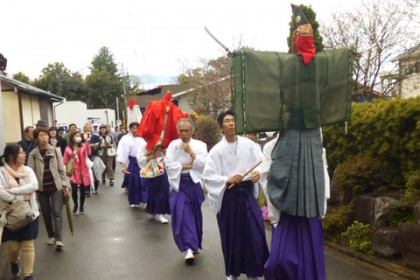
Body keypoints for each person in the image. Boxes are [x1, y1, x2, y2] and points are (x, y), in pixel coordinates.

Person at [202, 110, 269, 280]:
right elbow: (208, 177)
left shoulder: (249, 145)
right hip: (229, 197)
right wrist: (226, 179)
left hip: (247, 194)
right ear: (221, 128)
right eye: (227, 121)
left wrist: (258, 173)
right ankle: (233, 272)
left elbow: (261, 162)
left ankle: (254, 272)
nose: (231, 123)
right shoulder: (216, 151)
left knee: (254, 233)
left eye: (233, 120)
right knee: (232, 235)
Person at [165, 118, 208, 263]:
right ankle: (188, 248)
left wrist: (191, 152)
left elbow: (204, 165)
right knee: (182, 215)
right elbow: (169, 165)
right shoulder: (173, 145)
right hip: (179, 184)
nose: (184, 134)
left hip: (194, 183)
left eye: (186, 130)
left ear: (192, 130)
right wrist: (187, 166)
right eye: (181, 130)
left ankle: (194, 244)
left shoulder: (200, 145)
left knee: (195, 215)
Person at [0, 144, 40, 280]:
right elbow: (0, 192)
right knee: (13, 247)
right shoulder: (1, 172)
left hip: (29, 213)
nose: (24, 155)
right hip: (11, 214)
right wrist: (20, 197)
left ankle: (28, 275)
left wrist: (12, 191)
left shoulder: (27, 170)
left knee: (28, 244)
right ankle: (14, 262)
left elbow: (34, 186)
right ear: (12, 156)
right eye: (21, 153)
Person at [27, 127, 70, 250]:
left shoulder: (55, 151)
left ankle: (59, 239)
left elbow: (61, 169)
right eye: (41, 135)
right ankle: (50, 235)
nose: (44, 138)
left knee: (57, 212)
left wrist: (65, 185)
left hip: (56, 186)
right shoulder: (33, 154)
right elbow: (30, 173)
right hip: (41, 188)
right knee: (46, 214)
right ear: (37, 138)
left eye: (46, 135)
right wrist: (32, 190)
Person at [137, 145, 171, 224]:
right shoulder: (144, 144)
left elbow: (169, 156)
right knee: (152, 190)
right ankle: (152, 210)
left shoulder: (163, 142)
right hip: (151, 168)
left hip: (162, 166)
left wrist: (162, 152)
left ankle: (161, 213)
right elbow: (140, 158)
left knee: (163, 189)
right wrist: (152, 156)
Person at [117, 122, 148, 207]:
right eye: (133, 128)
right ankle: (134, 201)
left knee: (144, 182)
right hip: (133, 163)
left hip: (143, 163)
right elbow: (124, 153)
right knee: (134, 182)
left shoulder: (143, 140)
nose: (135, 130)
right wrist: (124, 166)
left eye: (136, 128)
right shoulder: (127, 140)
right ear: (130, 130)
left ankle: (145, 200)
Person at [63, 131, 91, 214]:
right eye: (76, 136)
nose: (78, 137)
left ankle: (81, 206)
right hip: (73, 171)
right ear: (72, 137)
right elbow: (64, 160)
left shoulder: (83, 145)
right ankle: (75, 205)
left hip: (83, 170)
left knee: (82, 190)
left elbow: (89, 153)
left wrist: (87, 144)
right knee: (74, 190)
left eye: (79, 135)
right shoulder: (68, 147)